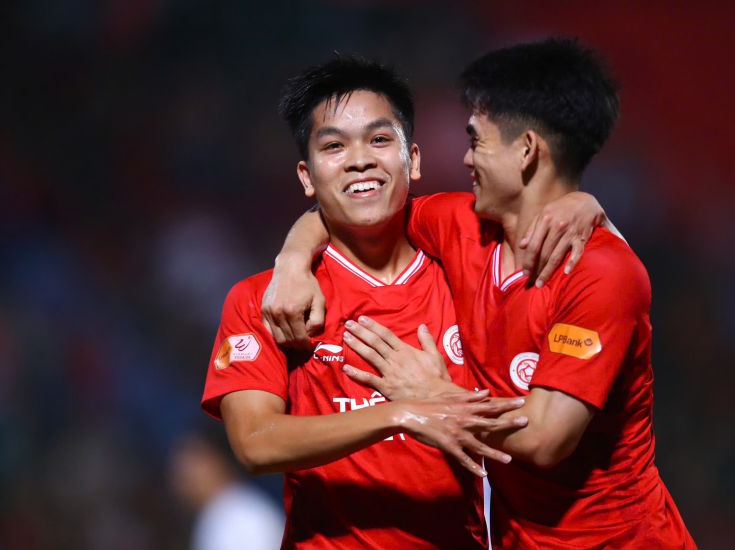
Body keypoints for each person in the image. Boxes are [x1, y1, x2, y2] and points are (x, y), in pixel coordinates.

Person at [264, 39, 696, 548]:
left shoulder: (602, 272)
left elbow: (544, 437)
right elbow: (354, 206)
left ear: (528, 150)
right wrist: (292, 261)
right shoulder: (461, 227)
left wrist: (432, 396)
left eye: (477, 141)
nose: (466, 158)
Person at [202, 56, 605, 549]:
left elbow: (551, 226)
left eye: (378, 139)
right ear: (307, 177)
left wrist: (583, 204)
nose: (359, 159)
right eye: (334, 146)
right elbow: (255, 443)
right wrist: (401, 413)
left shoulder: (468, 272)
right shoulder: (271, 299)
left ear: (412, 159)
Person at [169, 429, 285, 550]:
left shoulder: (243, 515)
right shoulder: (216, 515)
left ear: (217, 460)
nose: (184, 478)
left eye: (192, 466)